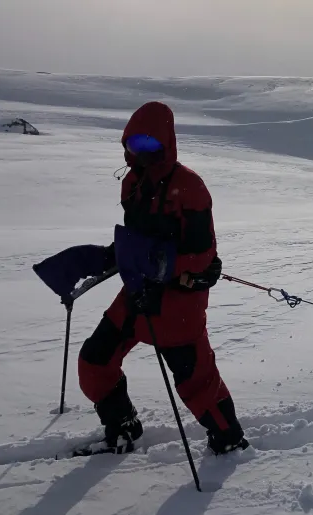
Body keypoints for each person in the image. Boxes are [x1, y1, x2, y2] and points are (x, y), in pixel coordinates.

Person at [33, 101, 248, 455]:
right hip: (136, 295)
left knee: (196, 384)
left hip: (179, 304)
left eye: (149, 144)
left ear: (166, 143)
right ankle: (123, 427)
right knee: (94, 363)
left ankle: (229, 442)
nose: (141, 153)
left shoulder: (190, 187)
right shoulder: (132, 184)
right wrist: (103, 258)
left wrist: (161, 268)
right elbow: (136, 239)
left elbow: (201, 254)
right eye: (134, 145)